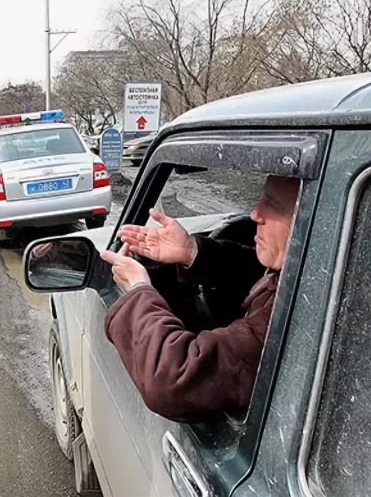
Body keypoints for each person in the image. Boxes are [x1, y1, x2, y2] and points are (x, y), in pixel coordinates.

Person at [100, 176, 299, 422]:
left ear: (313, 223)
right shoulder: (304, 276)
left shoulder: (295, 319)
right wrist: (192, 252)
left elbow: (173, 378)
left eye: (274, 204)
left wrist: (138, 289)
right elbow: (257, 274)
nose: (255, 213)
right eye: (261, 199)